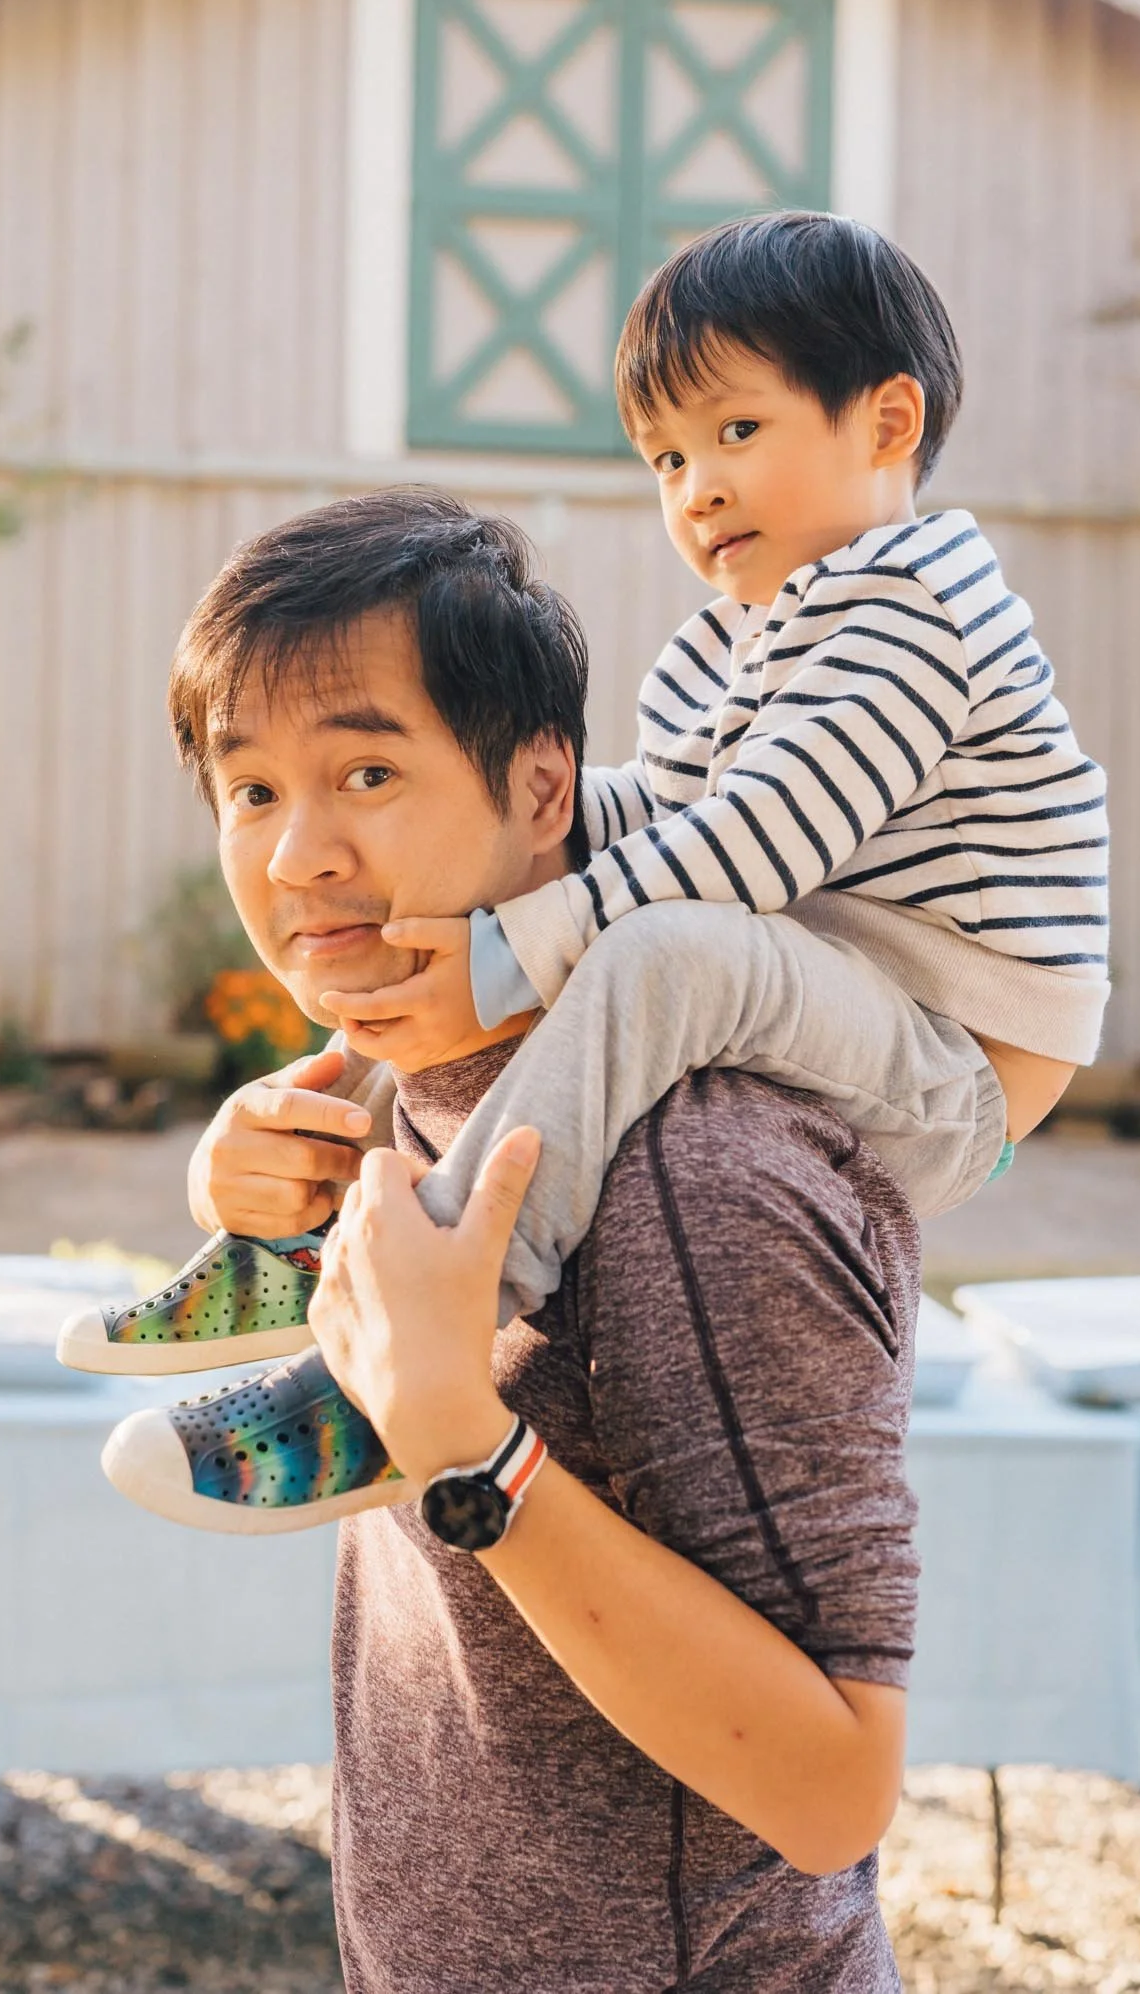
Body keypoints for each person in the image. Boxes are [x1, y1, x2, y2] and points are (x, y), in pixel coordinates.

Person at [61, 215, 1108, 1467]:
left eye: (736, 432)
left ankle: (440, 1322)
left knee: (647, 950)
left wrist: (513, 948)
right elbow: (649, 819)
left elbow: (752, 850)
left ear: (888, 423)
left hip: (951, 1067)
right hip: (842, 991)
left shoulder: (921, 616)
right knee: (519, 886)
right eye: (663, 460)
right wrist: (517, 860)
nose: (697, 488)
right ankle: (298, 1228)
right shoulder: (734, 640)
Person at [104, 510, 928, 1988]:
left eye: (369, 772)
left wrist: (463, 1447)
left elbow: (835, 1790)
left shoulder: (701, 1170)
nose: (301, 853)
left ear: (544, 783)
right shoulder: (420, 1100)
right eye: (250, 788)